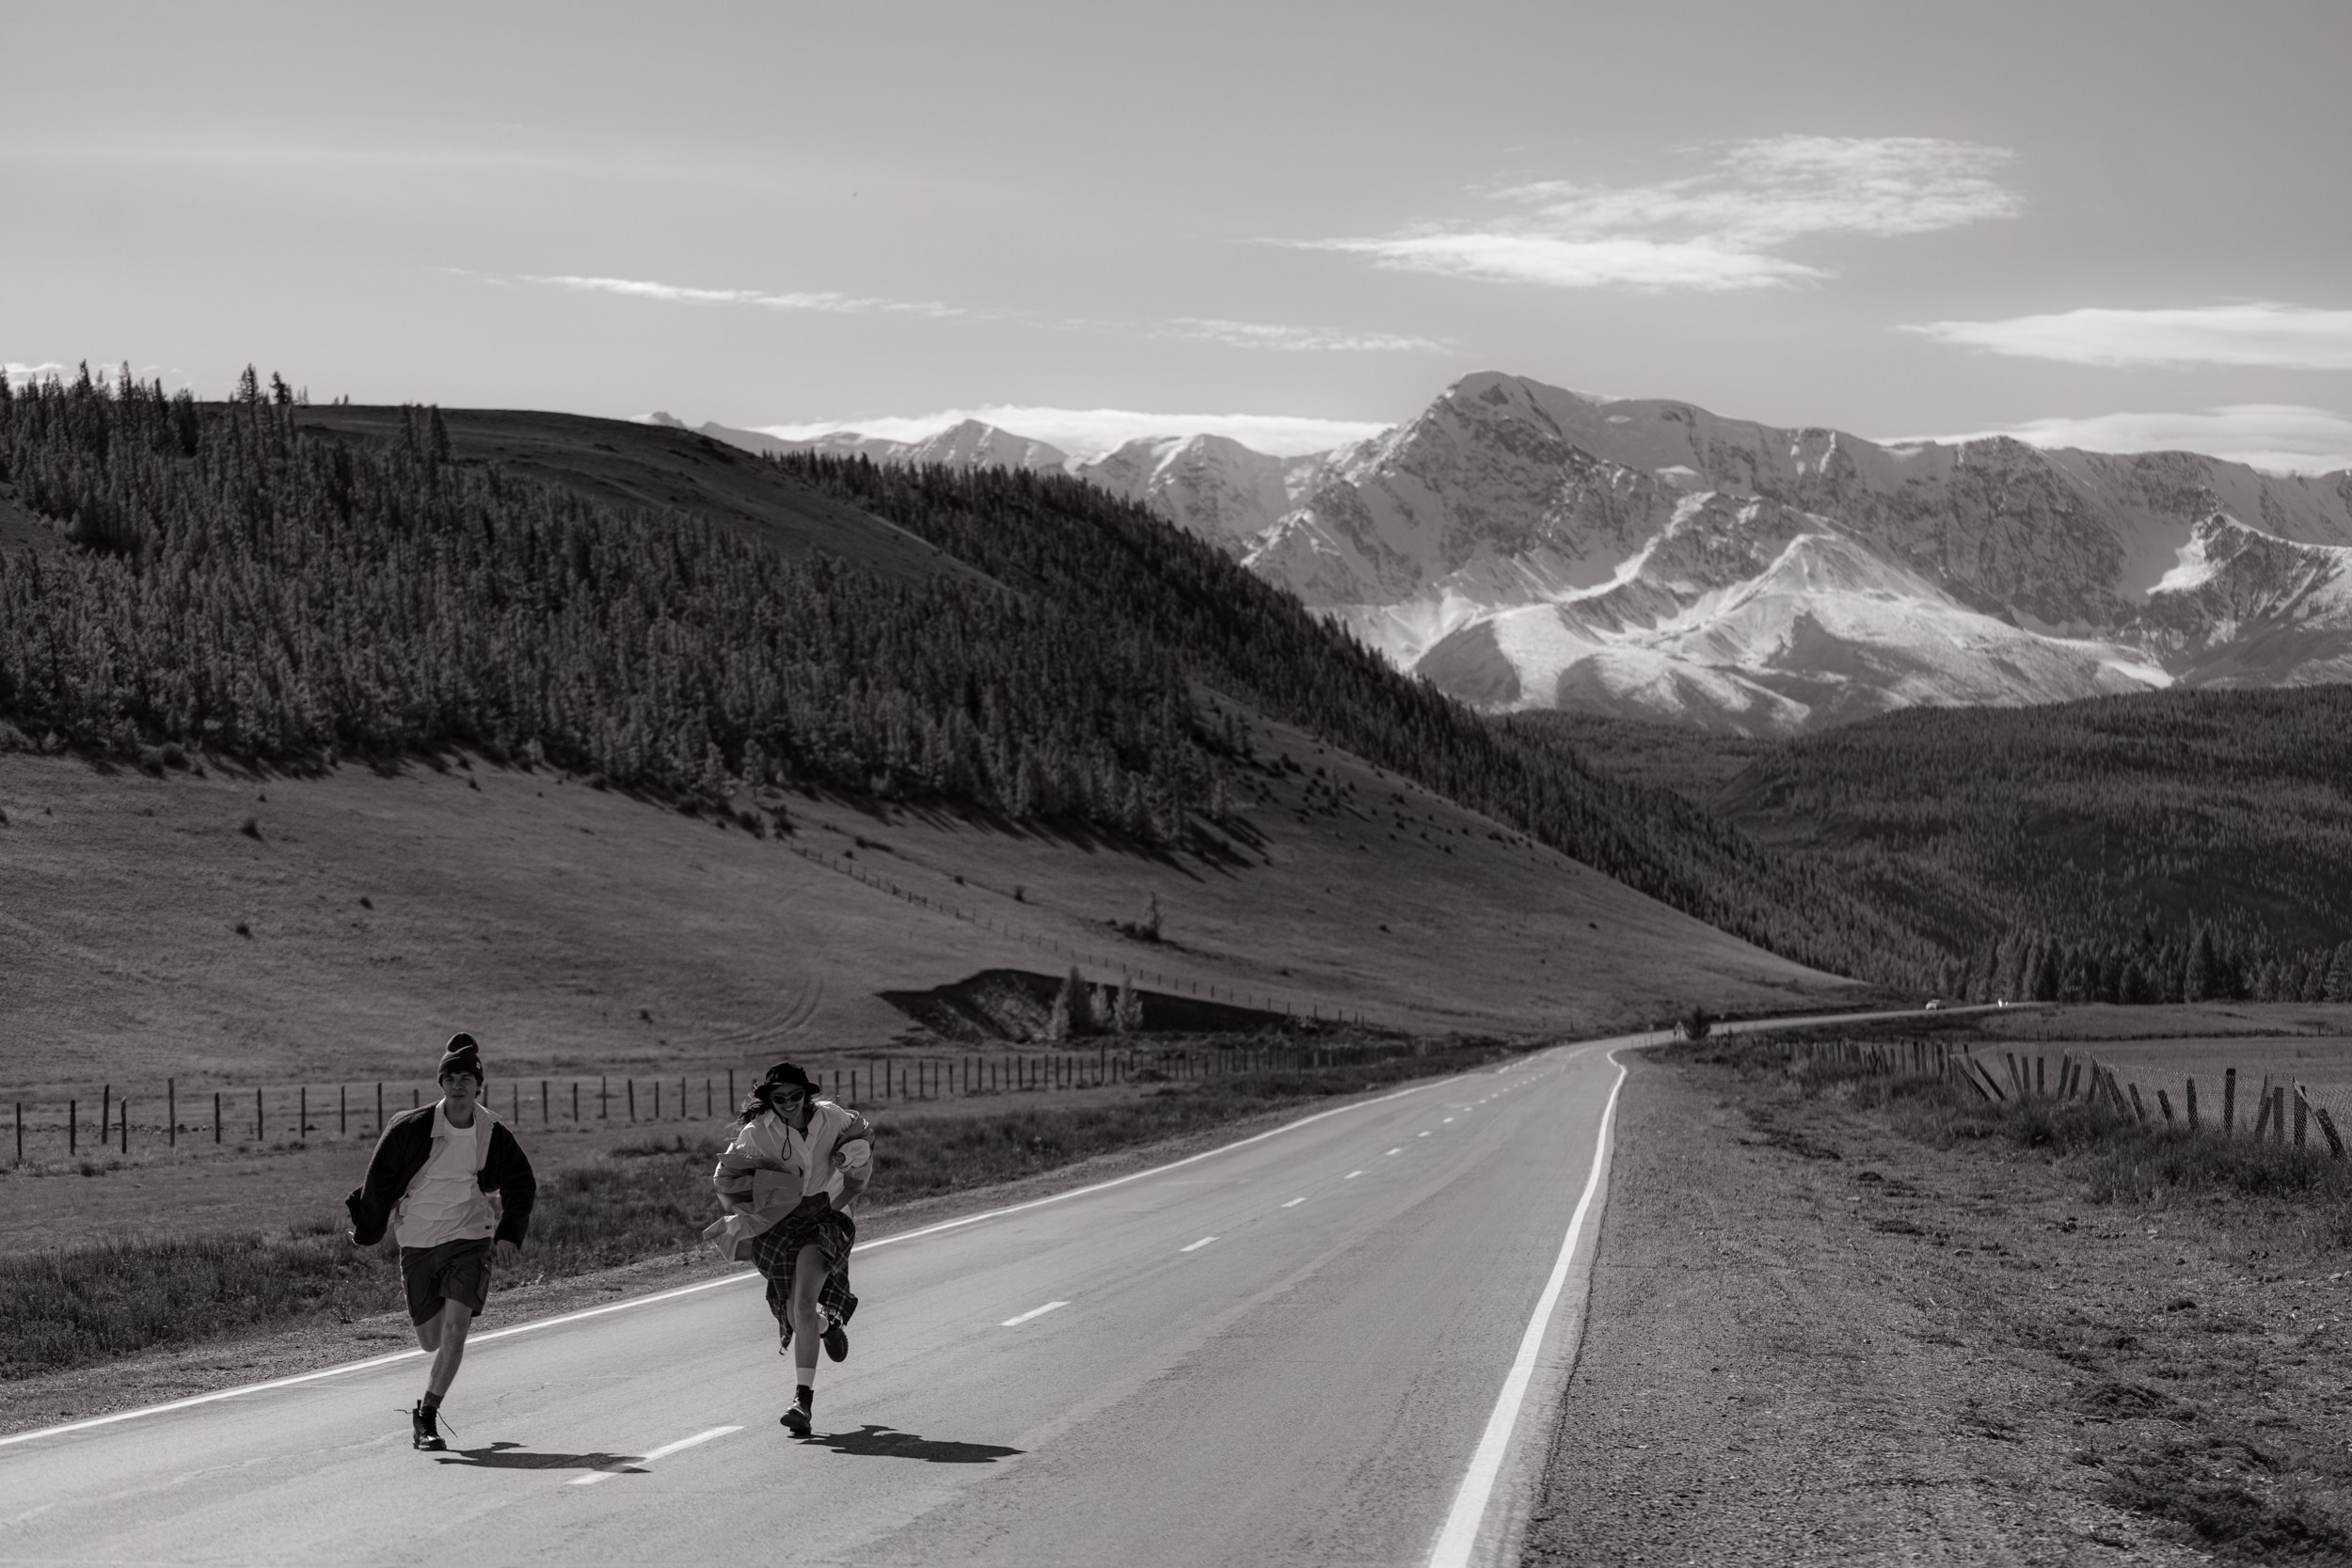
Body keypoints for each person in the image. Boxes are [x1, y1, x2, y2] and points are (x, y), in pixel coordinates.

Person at [345, 1033, 537, 1451]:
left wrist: (509, 1234)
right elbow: (378, 1182)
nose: (458, 1085)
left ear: (478, 1085)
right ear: (441, 1084)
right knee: (431, 1340)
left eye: (466, 1078)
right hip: (418, 1239)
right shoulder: (410, 1128)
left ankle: (427, 1416)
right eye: (450, 1077)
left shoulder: (491, 1131)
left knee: (456, 1329)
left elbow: (521, 1183)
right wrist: (366, 1230)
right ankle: (430, 1399)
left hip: (470, 1236)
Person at [706, 1061, 874, 1437]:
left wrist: (844, 1190)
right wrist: (748, 1211)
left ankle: (802, 1402)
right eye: (779, 1098)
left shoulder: (832, 1118)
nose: (788, 1103)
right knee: (796, 1313)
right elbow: (727, 1178)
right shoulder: (755, 1133)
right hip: (780, 1226)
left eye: (795, 1095)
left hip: (824, 1220)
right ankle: (828, 1325)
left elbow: (863, 1141)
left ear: (806, 1095)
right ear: (770, 1099)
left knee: (802, 1304)